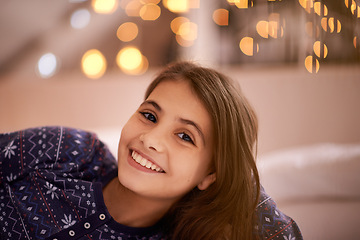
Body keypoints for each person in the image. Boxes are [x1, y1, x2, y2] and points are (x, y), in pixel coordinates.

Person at [0, 61, 302, 240]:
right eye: (149, 116)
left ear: (211, 173)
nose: (151, 139)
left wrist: (235, 182)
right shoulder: (71, 150)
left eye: (185, 136)